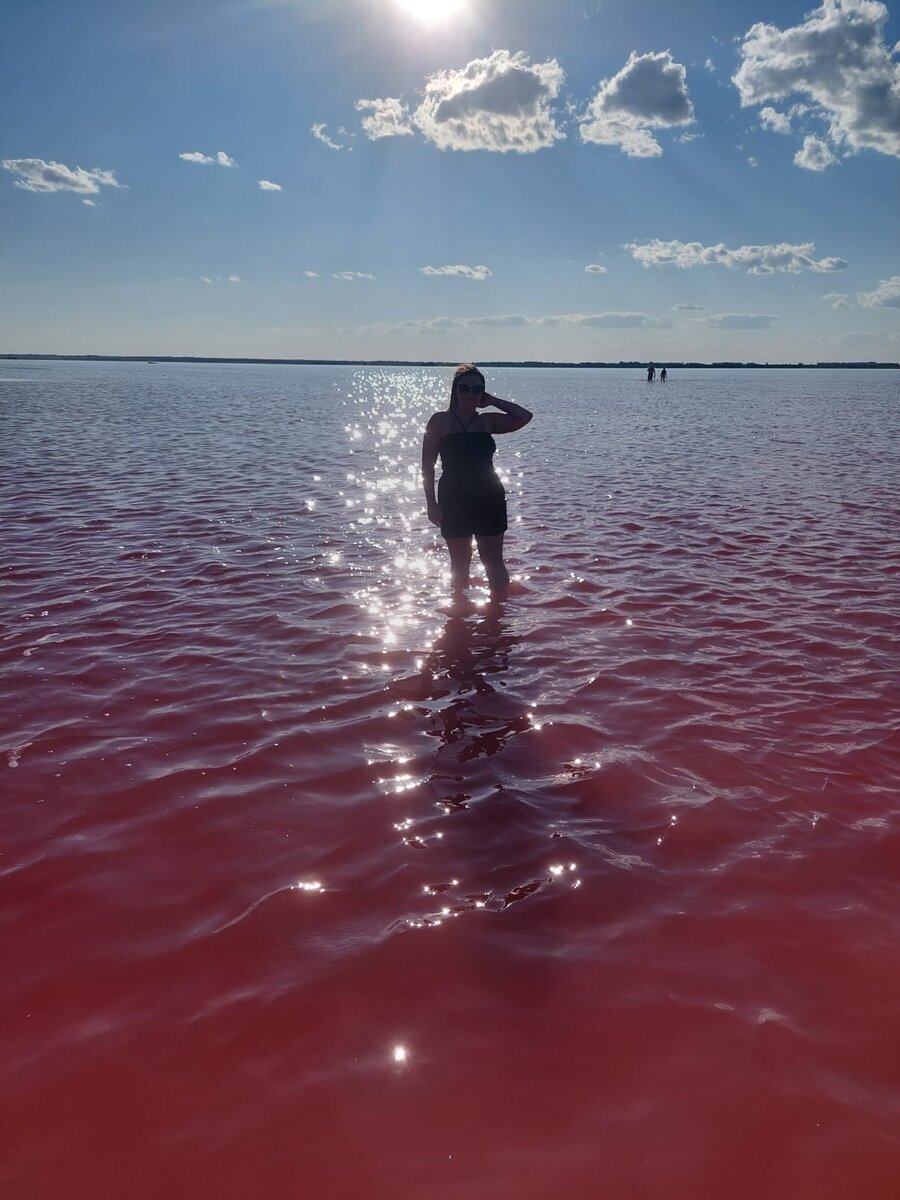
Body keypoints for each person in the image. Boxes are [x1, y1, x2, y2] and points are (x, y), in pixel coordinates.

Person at [421, 364, 532, 595]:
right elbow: (427, 466)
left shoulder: (487, 421)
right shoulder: (439, 421)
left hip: (488, 496)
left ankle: (499, 620)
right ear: (455, 390)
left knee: (493, 562)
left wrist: (493, 400)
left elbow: (524, 416)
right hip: (453, 497)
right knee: (459, 564)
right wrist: (431, 504)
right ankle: (459, 617)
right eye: (465, 388)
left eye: (477, 389)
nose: (470, 394)